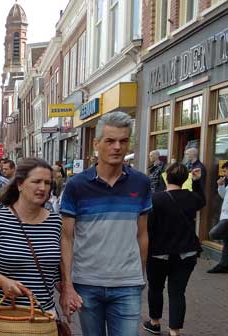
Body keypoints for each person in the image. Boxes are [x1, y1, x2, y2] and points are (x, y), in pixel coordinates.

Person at [60, 111, 152, 336]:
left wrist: (139, 275)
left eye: (123, 141)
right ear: (96, 144)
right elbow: (67, 238)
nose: (117, 147)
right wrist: (68, 285)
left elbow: (142, 234)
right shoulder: (77, 186)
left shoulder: (141, 183)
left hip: (127, 284)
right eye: (110, 141)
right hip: (87, 282)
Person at [0, 158, 61, 333]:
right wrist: (2, 281)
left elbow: (55, 268)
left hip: (43, 315)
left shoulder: (55, 222)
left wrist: (67, 291)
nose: (42, 188)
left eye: (47, 183)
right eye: (36, 181)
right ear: (20, 184)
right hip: (3, 315)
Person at [143, 164, 205, 336]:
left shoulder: (155, 199)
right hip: (186, 253)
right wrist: (197, 182)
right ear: (185, 179)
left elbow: (148, 228)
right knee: (178, 292)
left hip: (158, 253)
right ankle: (174, 331)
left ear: (166, 177)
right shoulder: (192, 198)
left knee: (155, 288)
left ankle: (155, 323)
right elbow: (202, 200)